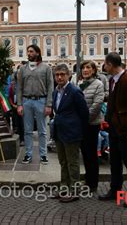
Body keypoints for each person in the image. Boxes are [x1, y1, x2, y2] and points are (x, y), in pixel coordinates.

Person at [98, 52, 127, 203]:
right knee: (114, 161)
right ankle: (115, 189)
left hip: (125, 129)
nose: (104, 66)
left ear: (110, 64)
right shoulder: (112, 80)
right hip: (114, 128)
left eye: (105, 63)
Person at [51, 64, 89, 203]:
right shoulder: (55, 91)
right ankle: (63, 189)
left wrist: (79, 130)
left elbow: (84, 113)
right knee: (62, 162)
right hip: (60, 131)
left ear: (68, 75)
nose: (59, 77)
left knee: (72, 162)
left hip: (72, 132)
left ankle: (74, 191)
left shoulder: (74, 91)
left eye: (62, 74)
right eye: (57, 75)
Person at [16, 45, 54, 164]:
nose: (29, 53)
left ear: (37, 53)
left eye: (31, 51)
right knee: (27, 130)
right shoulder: (23, 69)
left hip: (41, 101)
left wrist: (49, 104)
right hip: (27, 101)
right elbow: (19, 88)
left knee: (42, 130)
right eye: (28, 51)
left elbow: (50, 87)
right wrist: (19, 104)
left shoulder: (46, 68)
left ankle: (43, 155)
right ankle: (28, 154)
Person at [76, 61, 104, 192]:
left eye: (88, 67)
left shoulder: (98, 84)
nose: (85, 70)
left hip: (92, 124)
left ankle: (93, 183)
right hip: (81, 124)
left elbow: (97, 104)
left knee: (91, 154)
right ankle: (88, 180)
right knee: (85, 154)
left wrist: (85, 119)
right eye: (83, 68)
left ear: (93, 70)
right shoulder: (79, 84)